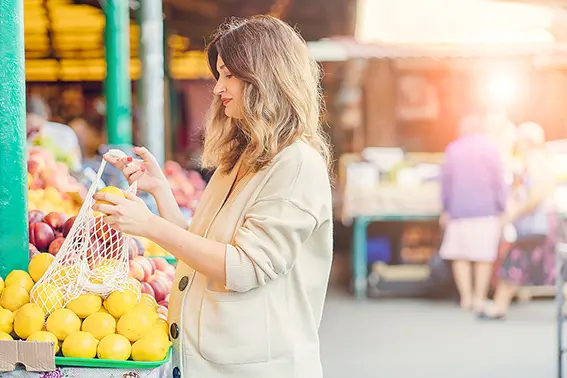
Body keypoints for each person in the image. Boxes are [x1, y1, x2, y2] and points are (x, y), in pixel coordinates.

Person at [92, 15, 333, 378]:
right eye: (219, 75)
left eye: (229, 75)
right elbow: (199, 249)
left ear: (266, 77)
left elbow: (243, 267)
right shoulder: (240, 159)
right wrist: (160, 191)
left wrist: (151, 226)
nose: (218, 88)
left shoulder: (296, 165)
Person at [481, 122, 556, 320]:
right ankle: (499, 305)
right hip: (542, 223)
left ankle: (499, 306)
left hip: (537, 223)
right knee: (551, 267)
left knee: (516, 262)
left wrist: (515, 212)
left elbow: (536, 193)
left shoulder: (535, 160)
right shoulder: (537, 159)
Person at [438, 114, 507, 314]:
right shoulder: (491, 148)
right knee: (483, 256)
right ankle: (479, 298)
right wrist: (502, 207)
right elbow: (499, 181)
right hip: (485, 210)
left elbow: (445, 183)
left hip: (459, 210)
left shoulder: (453, 149)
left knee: (460, 255)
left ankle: (465, 298)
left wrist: (445, 208)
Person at [26, 95, 82, 171]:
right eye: (29, 125)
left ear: (45, 116)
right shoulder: (21, 138)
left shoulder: (64, 133)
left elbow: (75, 163)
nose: (34, 131)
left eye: (37, 127)